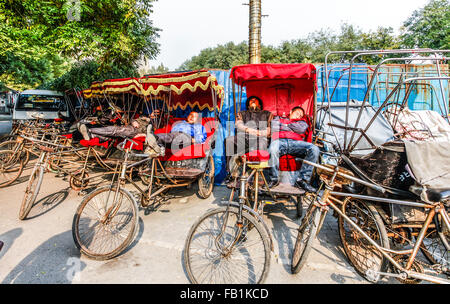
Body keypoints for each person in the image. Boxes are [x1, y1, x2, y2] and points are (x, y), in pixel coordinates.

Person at [268, 106, 319, 192]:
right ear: (291, 111)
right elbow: (274, 127)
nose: (298, 116)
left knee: (314, 149)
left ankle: (302, 180)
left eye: (300, 115)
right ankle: (274, 179)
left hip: (296, 143)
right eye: (297, 113)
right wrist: (292, 127)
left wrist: (284, 125)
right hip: (280, 141)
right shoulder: (278, 118)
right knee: (273, 148)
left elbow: (301, 129)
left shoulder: (302, 122)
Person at [224, 96, 273, 184]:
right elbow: (238, 124)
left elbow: (270, 129)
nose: (253, 101)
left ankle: (259, 175)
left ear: (260, 104)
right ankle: (230, 173)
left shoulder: (267, 114)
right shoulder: (242, 113)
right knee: (229, 141)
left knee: (261, 144)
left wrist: (259, 133)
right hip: (245, 137)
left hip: (260, 137)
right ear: (247, 105)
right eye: (251, 100)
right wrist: (248, 130)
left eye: (255, 100)